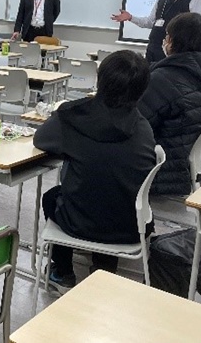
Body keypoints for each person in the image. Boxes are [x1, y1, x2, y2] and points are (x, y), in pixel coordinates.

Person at [33, 50, 156, 293]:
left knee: (52, 196)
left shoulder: (73, 116)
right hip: (132, 227)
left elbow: (41, 139)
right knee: (113, 192)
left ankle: (63, 270)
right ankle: (104, 268)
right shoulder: (143, 127)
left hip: (81, 224)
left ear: (99, 80)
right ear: (142, 90)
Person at [138, 12, 201, 196]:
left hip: (162, 167)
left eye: (167, 36)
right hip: (188, 155)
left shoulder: (163, 79)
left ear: (172, 41)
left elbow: (134, 122)